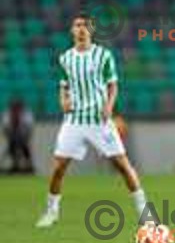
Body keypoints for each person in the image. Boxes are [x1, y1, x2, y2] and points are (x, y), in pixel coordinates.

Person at [36, 14, 155, 229]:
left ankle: (145, 213)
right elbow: (64, 85)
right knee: (58, 168)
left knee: (123, 165)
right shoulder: (66, 58)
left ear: (91, 30)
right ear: (72, 30)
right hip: (74, 121)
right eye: (77, 25)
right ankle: (51, 211)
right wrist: (62, 100)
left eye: (85, 26)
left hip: (99, 120)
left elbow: (113, 84)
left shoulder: (103, 55)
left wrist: (109, 105)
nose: (81, 29)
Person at [2, 99, 34, 173]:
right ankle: (14, 164)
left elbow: (29, 128)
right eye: (14, 107)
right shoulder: (7, 114)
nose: (16, 109)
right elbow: (5, 129)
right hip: (11, 136)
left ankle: (28, 164)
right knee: (11, 147)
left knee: (24, 147)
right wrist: (12, 137)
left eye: (18, 107)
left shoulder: (26, 114)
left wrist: (23, 138)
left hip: (23, 136)